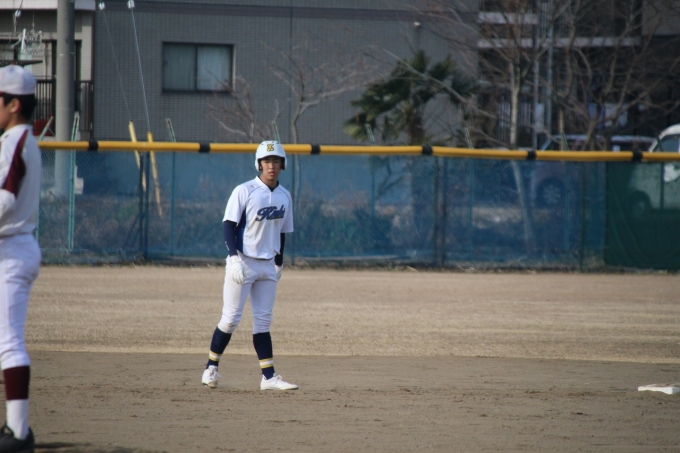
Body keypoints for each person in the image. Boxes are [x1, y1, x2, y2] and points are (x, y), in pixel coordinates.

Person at [202, 140, 297, 391]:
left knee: (263, 322)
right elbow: (228, 225)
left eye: (276, 161)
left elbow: (282, 232)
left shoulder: (285, 195)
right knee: (231, 318)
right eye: (266, 161)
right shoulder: (244, 190)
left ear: (283, 164)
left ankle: (269, 377)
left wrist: (279, 262)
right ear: (258, 164)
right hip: (243, 262)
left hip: (268, 265)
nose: (271, 166)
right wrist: (233, 258)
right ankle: (211, 368)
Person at [0, 65, 41, 452]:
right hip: (14, 246)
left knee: (9, 341)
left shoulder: (15, 139)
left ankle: (18, 431)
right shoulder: (23, 138)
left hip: (11, 249)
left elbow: (7, 198)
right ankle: (15, 428)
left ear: (13, 104)